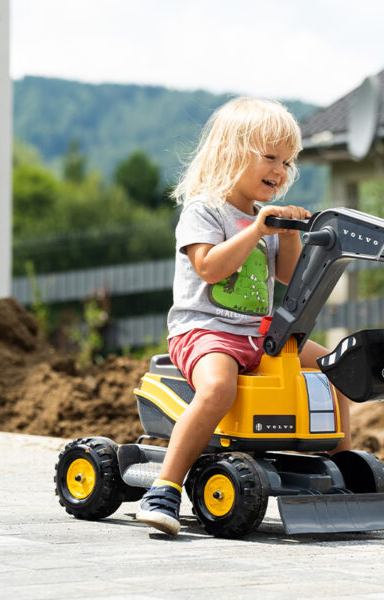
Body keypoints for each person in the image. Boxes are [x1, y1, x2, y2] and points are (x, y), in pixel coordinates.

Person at [136, 97, 352, 536]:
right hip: (205, 332)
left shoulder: (264, 218)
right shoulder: (204, 210)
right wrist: (257, 230)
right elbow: (210, 268)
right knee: (217, 387)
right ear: (230, 153)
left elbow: (289, 277)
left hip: (259, 334)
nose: (280, 169)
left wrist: (289, 234)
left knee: (337, 370)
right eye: (270, 156)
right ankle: (165, 487)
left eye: (287, 162)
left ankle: (340, 472)